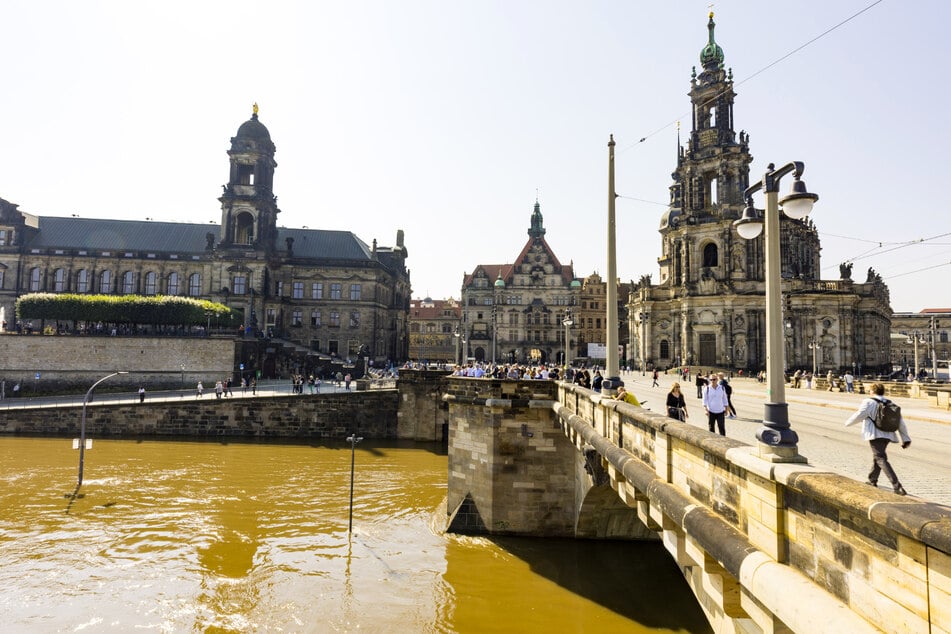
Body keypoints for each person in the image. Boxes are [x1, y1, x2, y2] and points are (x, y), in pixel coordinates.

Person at [845, 383, 911, 495]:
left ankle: (897, 486)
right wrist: (905, 438)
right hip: (888, 434)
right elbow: (900, 422)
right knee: (879, 456)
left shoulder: (869, 402)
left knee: (880, 458)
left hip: (875, 434)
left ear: (872, 391)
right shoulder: (890, 403)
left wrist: (847, 423)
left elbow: (860, 414)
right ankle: (872, 480)